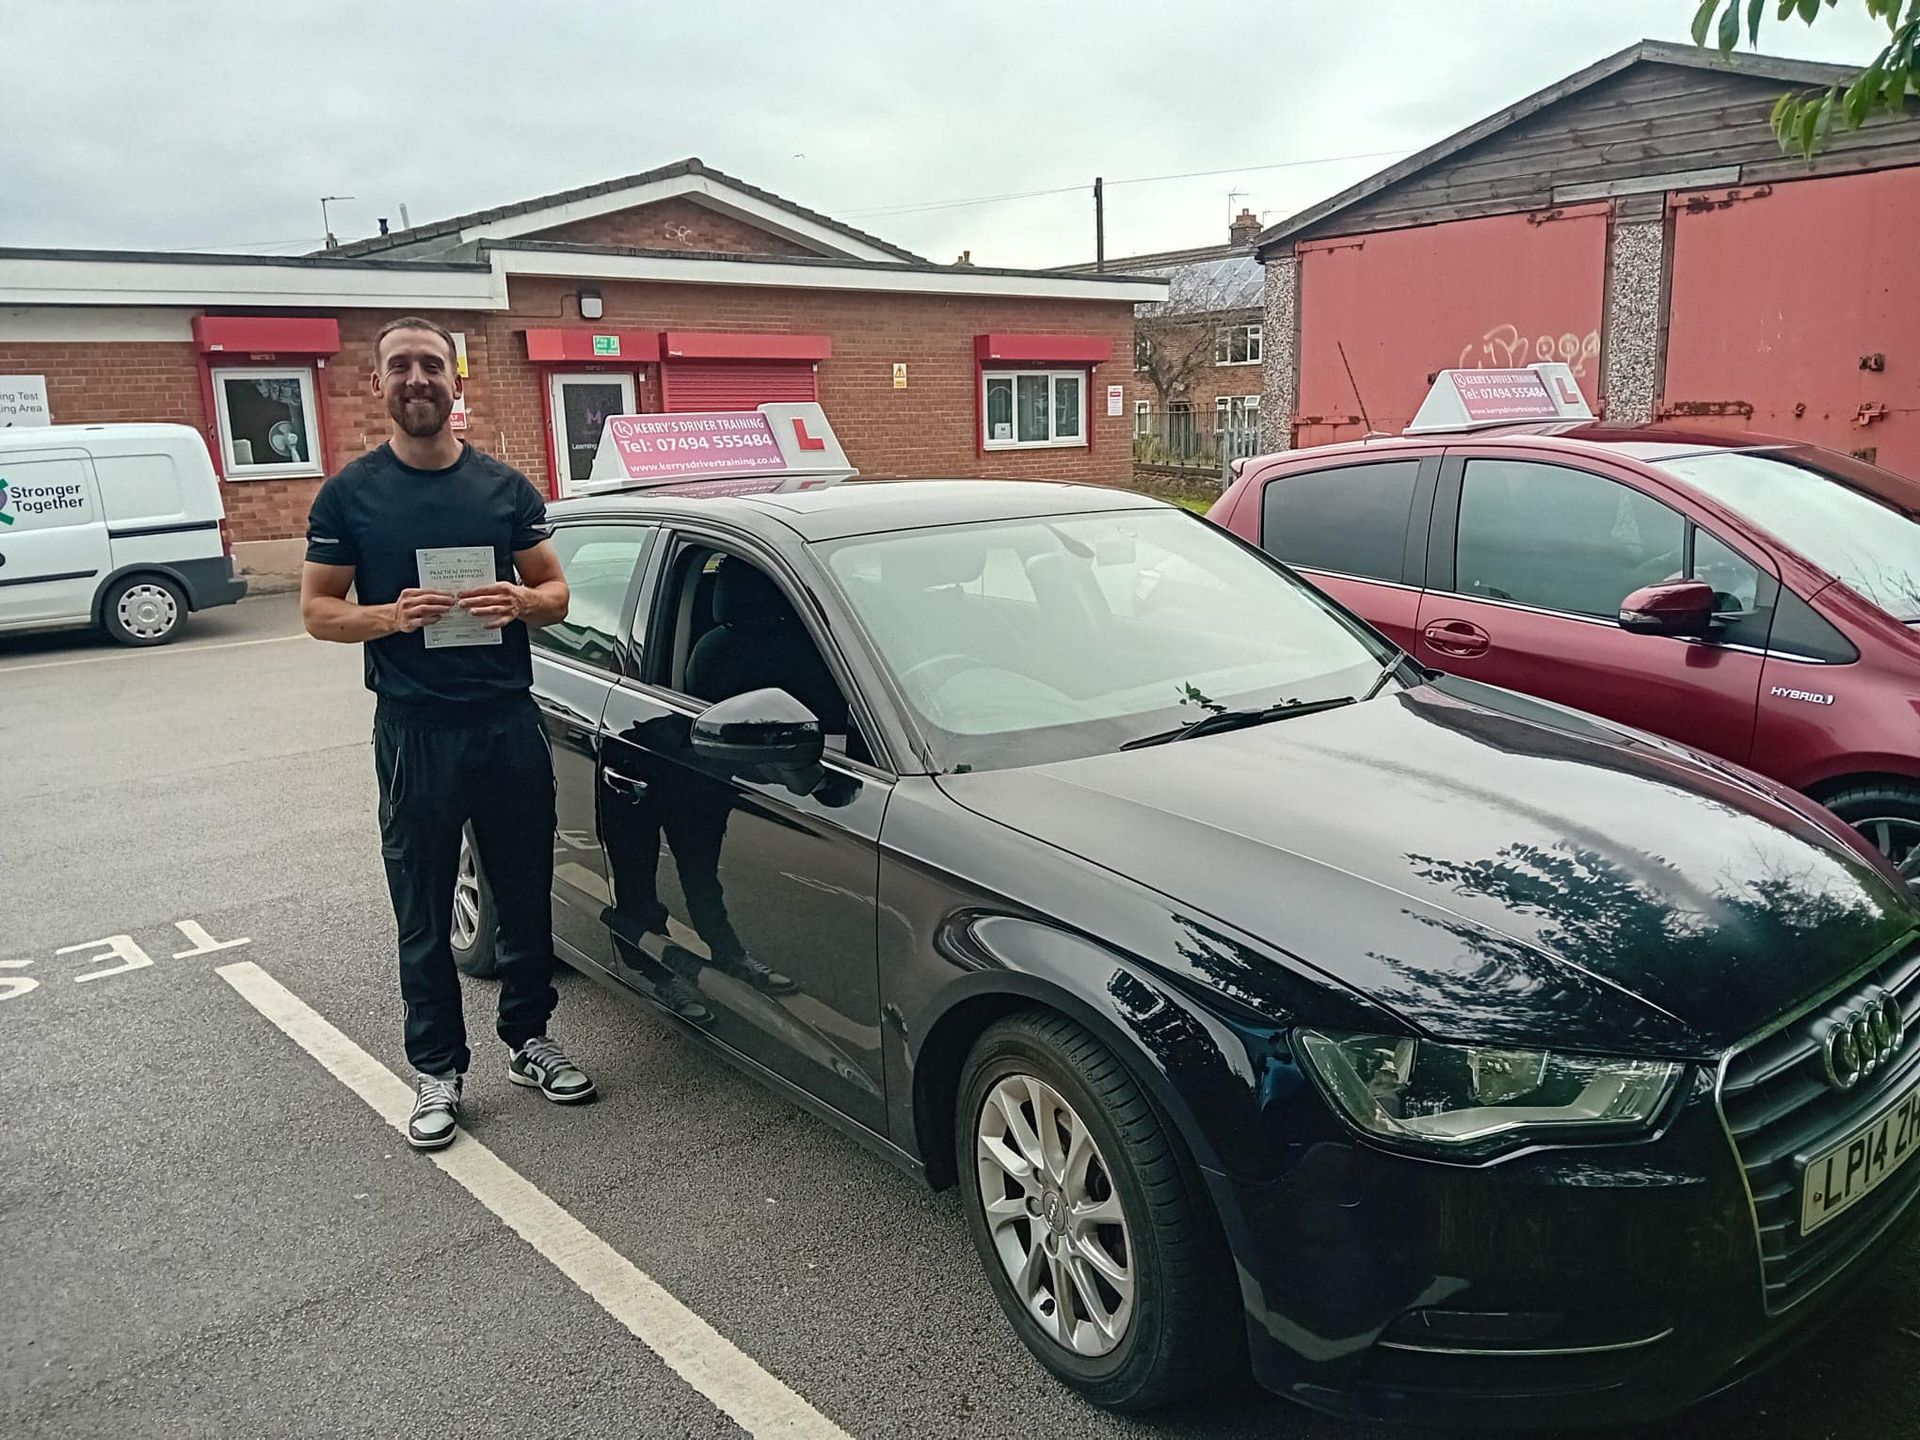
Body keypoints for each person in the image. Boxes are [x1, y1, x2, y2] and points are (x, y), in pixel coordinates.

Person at [300, 315, 593, 1151]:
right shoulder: (350, 495)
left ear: (455, 382)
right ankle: (437, 1068)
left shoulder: (505, 489)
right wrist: (387, 617)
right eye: (403, 366)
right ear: (378, 383)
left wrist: (522, 602)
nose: (419, 378)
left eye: (433, 365)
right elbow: (318, 611)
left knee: (525, 887)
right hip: (416, 730)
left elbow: (557, 592)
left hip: (505, 720)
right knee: (422, 905)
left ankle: (529, 1040)